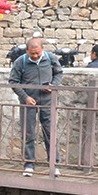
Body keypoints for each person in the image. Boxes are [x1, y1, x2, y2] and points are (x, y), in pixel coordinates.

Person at [8, 37, 64, 177]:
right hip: (28, 101)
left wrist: (53, 85)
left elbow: (59, 73)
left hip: (47, 100)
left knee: (50, 133)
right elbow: (13, 82)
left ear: (42, 49)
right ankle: (29, 164)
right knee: (29, 133)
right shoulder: (21, 61)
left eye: (37, 53)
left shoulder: (50, 58)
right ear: (27, 51)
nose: (35, 56)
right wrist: (25, 97)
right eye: (32, 53)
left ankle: (54, 164)